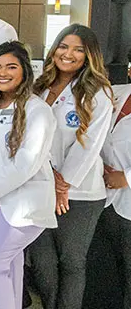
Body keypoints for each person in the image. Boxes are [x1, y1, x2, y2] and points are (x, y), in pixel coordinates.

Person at [29, 24, 113, 309]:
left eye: (78, 49)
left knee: (71, 262)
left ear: (89, 55)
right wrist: (50, 180)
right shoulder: (40, 85)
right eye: (64, 46)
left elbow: (88, 143)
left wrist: (63, 184)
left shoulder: (97, 91)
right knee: (41, 261)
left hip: (79, 194)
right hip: (41, 184)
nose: (68, 54)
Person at [0, 42, 57, 309]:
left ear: (25, 72)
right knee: (7, 266)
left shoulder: (37, 110)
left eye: (11, 67)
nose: (2, 73)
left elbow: (27, 163)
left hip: (17, 201)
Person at [84, 82, 131, 308]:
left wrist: (127, 178)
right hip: (102, 200)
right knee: (104, 273)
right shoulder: (113, 92)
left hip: (128, 202)